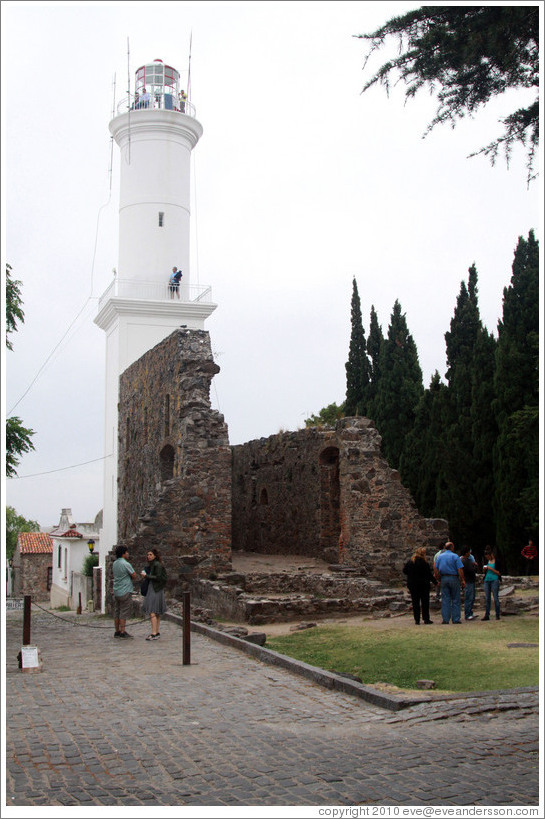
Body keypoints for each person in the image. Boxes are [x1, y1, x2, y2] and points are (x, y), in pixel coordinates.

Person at [402, 546, 437, 625]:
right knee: (425, 602)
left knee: (415, 602)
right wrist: (435, 582)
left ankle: (417, 619)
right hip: (423, 585)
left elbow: (404, 570)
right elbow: (429, 574)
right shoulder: (424, 563)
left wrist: (411, 575)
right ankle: (426, 618)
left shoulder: (411, 562)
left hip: (413, 585)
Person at [434, 541, 465, 624]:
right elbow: (460, 569)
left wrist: (438, 578)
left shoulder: (440, 557)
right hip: (453, 577)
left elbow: (436, 568)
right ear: (452, 548)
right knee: (455, 598)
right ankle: (455, 618)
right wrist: (462, 580)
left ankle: (445, 619)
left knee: (445, 598)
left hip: (444, 578)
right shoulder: (455, 556)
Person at [112, 545, 139, 638]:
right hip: (125, 590)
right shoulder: (126, 564)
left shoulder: (115, 563)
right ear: (123, 554)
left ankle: (117, 631)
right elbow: (134, 575)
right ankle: (123, 631)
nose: (128, 554)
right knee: (123, 611)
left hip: (116, 590)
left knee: (117, 611)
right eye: (127, 552)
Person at [142, 548, 167, 640]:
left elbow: (158, 577)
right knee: (156, 612)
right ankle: (156, 631)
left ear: (155, 556)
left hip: (156, 588)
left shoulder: (157, 565)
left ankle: (154, 632)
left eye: (150, 555)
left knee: (153, 610)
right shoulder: (153, 565)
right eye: (148, 555)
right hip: (155, 588)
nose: (148, 556)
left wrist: (146, 576)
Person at [482, 546, 501, 621]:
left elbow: (499, 573)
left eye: (488, 557)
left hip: (494, 580)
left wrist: (491, 569)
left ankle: (497, 614)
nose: (488, 558)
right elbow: (485, 572)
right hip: (487, 580)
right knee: (487, 598)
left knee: (495, 597)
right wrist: (484, 570)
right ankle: (487, 614)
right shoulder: (487, 562)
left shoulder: (496, 561)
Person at [461, 546, 479, 621]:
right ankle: (467, 614)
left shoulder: (467, 560)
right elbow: (470, 570)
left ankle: (470, 612)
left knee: (471, 597)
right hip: (468, 581)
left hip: (470, 580)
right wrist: (474, 566)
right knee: (469, 597)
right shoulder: (464, 561)